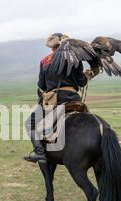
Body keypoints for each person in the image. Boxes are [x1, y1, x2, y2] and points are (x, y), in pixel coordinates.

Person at [24, 33, 97, 163]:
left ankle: (40, 153)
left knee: (30, 123)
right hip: (74, 99)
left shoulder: (45, 61)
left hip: (55, 101)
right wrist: (90, 74)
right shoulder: (74, 58)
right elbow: (81, 82)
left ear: (52, 47)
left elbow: (42, 85)